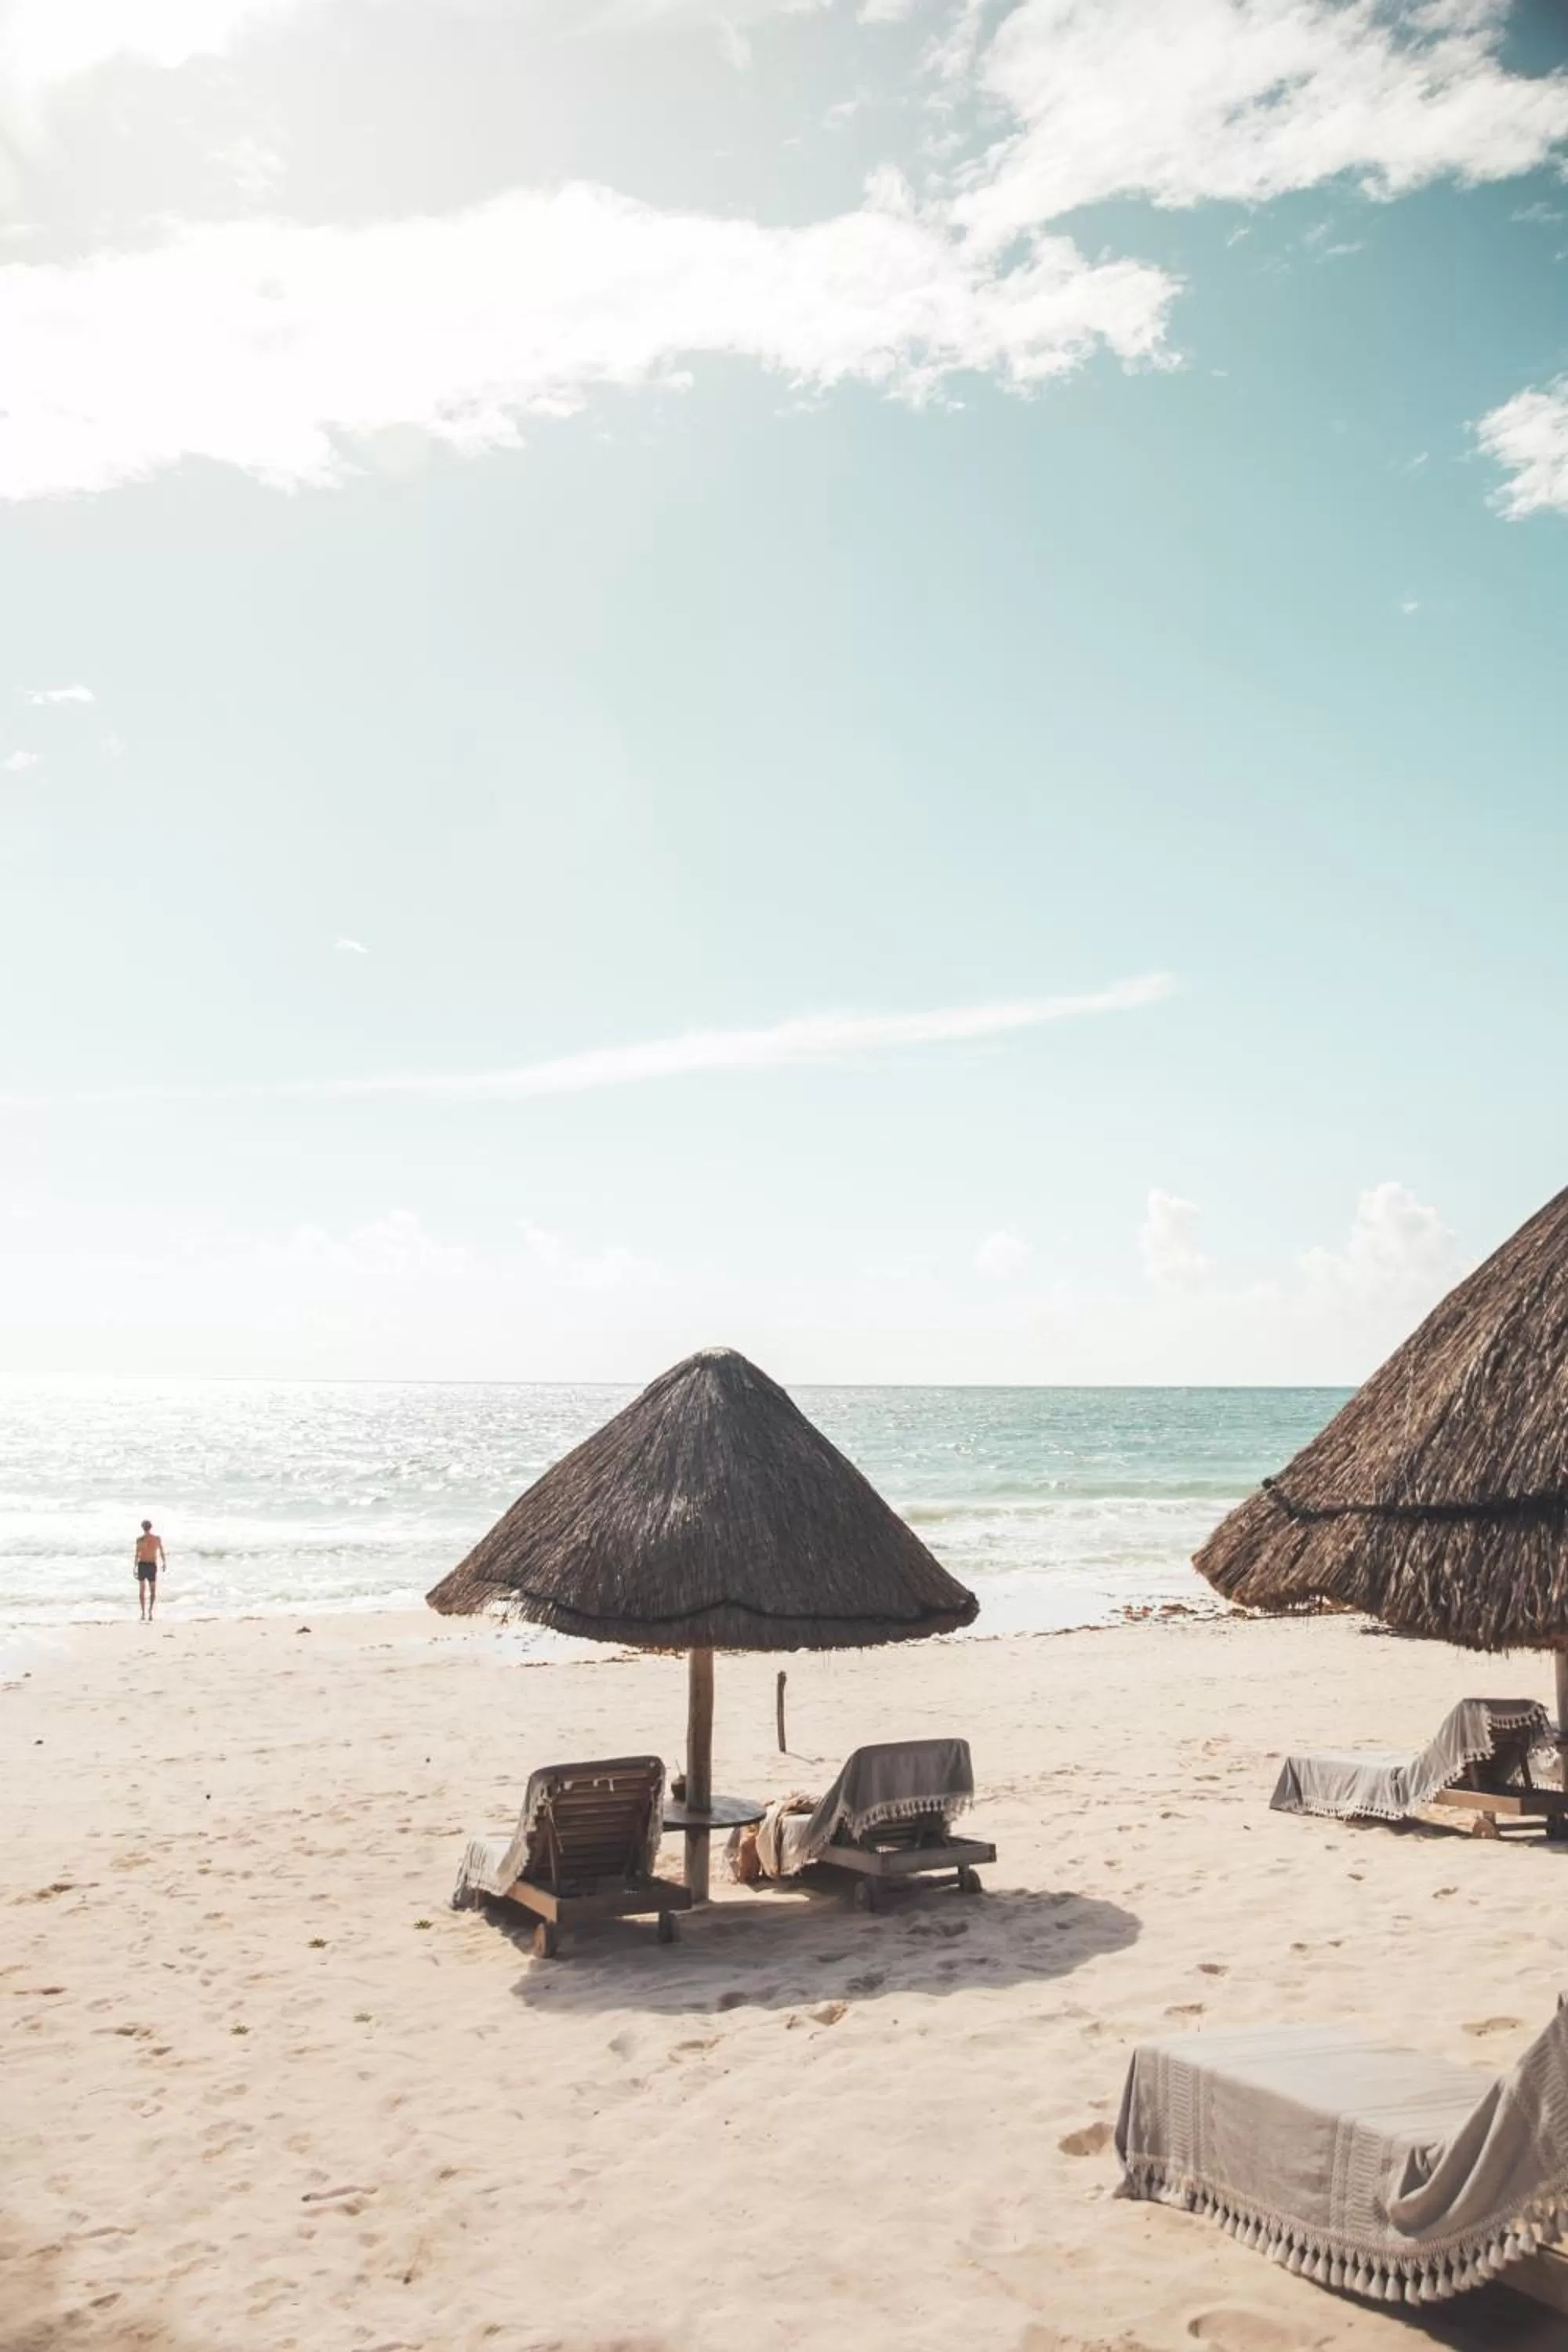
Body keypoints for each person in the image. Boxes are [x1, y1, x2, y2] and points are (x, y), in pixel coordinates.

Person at [133, 1520, 166, 1621]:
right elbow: (161, 1551)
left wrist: (134, 1567)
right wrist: (164, 1563)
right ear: (151, 1527)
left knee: (142, 1591)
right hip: (152, 1565)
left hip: (142, 1565)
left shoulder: (139, 1540)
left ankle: (143, 1613)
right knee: (152, 1591)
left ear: (143, 1527)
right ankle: (150, 1612)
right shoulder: (157, 1539)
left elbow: (137, 1554)